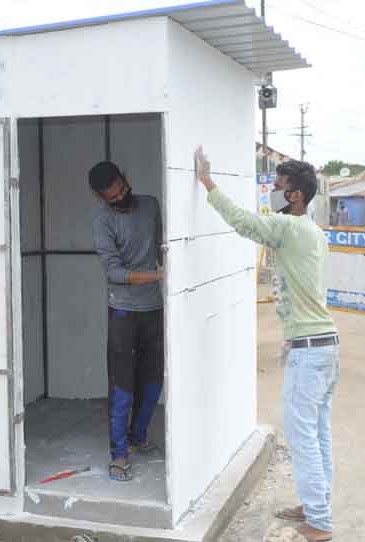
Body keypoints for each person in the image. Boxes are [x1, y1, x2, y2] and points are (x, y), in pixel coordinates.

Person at [196, 151, 338, 542]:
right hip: (323, 347)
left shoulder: (289, 228)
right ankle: (316, 507)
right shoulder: (312, 231)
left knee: (303, 436)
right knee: (318, 434)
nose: (271, 192)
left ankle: (320, 523)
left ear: (295, 196)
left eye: (277, 187)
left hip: (311, 350)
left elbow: (245, 223)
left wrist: (208, 185)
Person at [89, 161, 164, 483]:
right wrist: (158, 276)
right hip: (122, 310)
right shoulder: (102, 219)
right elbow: (113, 272)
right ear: (101, 197)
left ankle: (139, 435)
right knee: (123, 387)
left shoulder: (150, 206)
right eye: (111, 197)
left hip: (154, 308)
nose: (119, 197)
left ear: (125, 179)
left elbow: (164, 246)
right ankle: (119, 454)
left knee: (152, 381)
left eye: (120, 190)